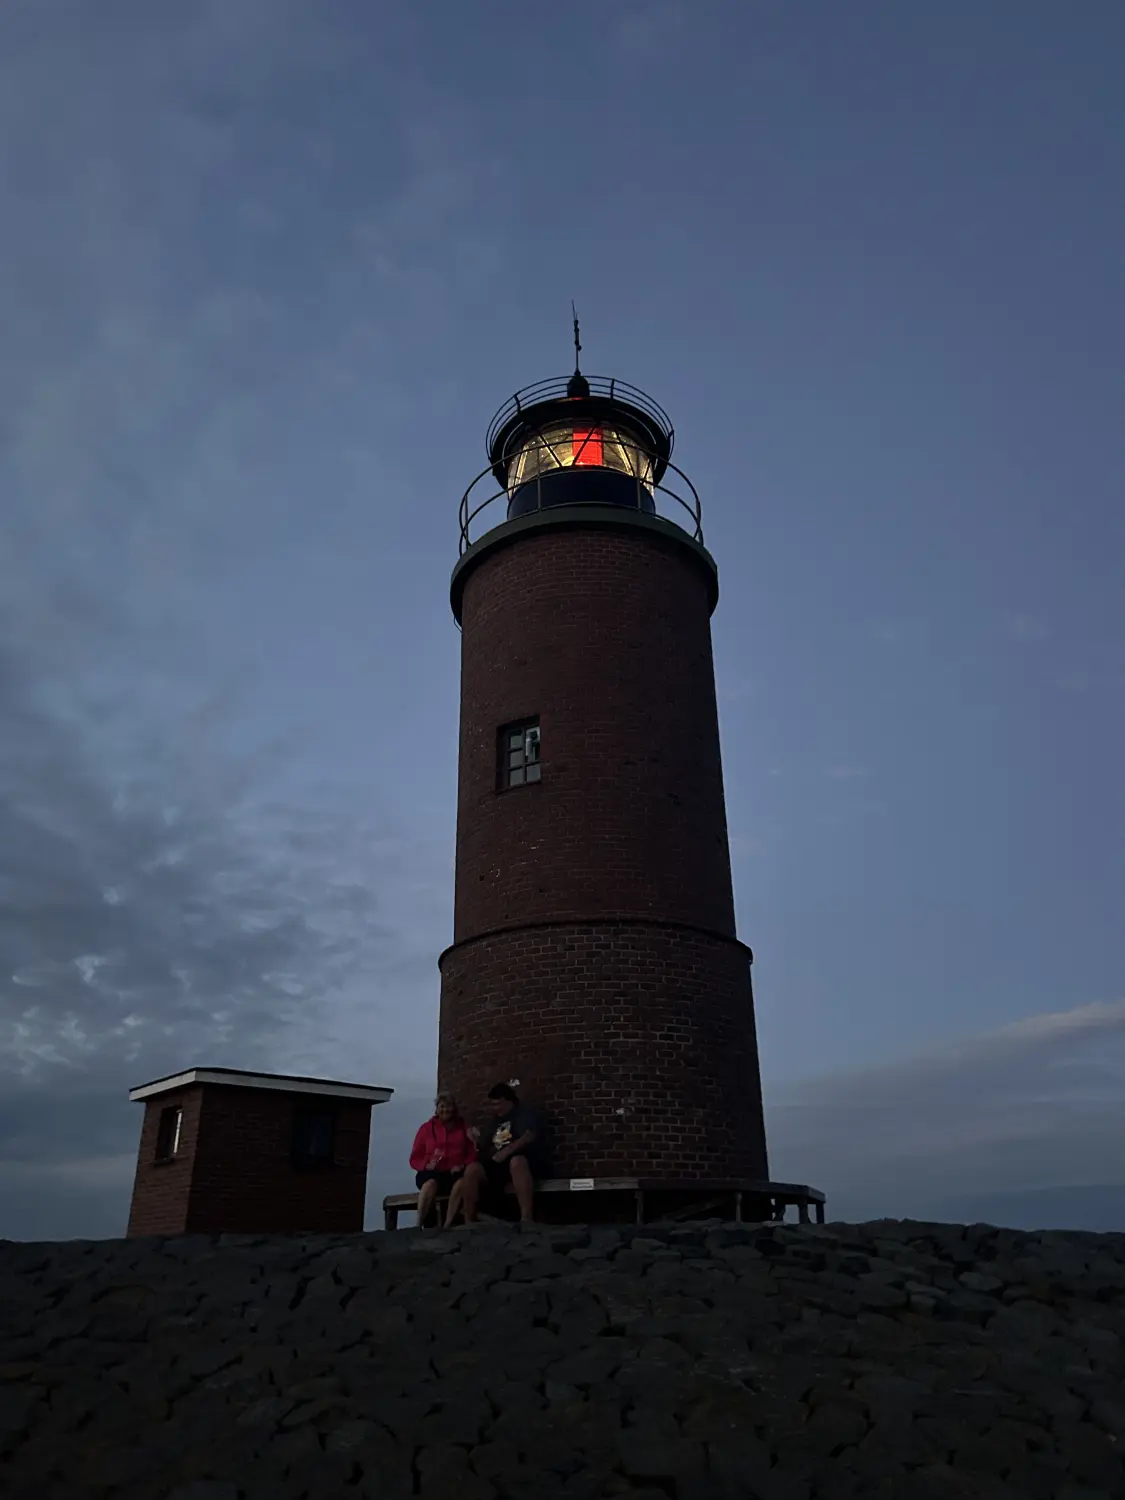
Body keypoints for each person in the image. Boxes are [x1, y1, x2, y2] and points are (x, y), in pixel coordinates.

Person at [460, 1082, 546, 1225]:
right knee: (472, 1169)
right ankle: (469, 1220)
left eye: (497, 1104)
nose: (494, 1108)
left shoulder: (523, 1115)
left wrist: (507, 1151)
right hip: (497, 1165)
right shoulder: (494, 1122)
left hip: (521, 1161)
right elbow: (485, 1146)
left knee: (517, 1162)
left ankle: (526, 1217)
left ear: (508, 1101)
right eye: (492, 1104)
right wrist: (476, 1140)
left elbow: (529, 1136)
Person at [408, 1092, 477, 1229]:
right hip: (432, 1171)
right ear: (437, 1109)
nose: (446, 1110)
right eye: (442, 1106)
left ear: (454, 1108)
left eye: (449, 1106)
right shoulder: (426, 1129)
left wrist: (463, 1165)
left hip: (454, 1171)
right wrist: (426, 1165)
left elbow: (472, 1152)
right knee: (430, 1184)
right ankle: (418, 1225)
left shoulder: (463, 1127)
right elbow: (415, 1157)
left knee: (462, 1183)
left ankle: (447, 1225)